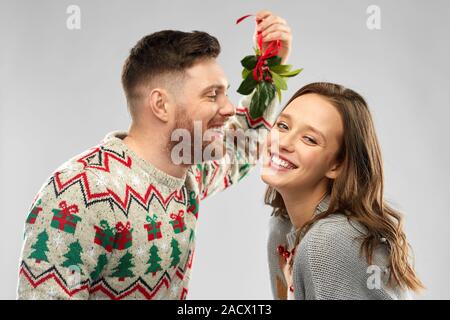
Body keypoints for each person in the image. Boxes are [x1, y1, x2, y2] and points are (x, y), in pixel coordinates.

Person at [17, 11, 293, 300]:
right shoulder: (77, 193)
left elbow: (242, 145)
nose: (227, 109)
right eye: (212, 95)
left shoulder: (186, 176)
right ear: (160, 104)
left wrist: (270, 63)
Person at [263, 82, 424, 300]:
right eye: (283, 126)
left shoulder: (328, 241)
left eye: (309, 139)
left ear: (336, 165)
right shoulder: (282, 228)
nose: (284, 143)